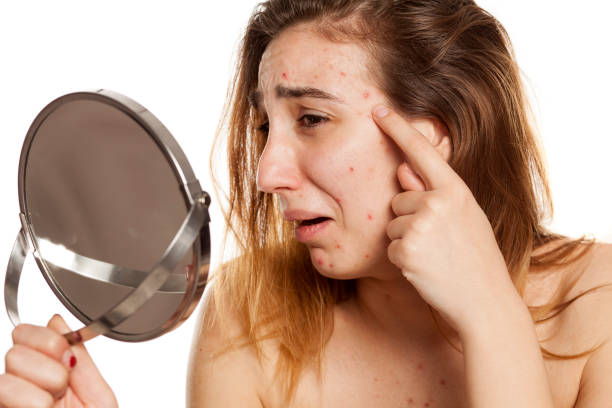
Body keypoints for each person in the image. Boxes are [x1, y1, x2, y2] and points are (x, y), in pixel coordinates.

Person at [2, 0, 612, 406]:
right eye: (266, 127)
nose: (266, 172)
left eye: (313, 118)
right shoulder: (252, 312)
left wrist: (490, 316)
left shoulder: (600, 308)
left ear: (435, 134)